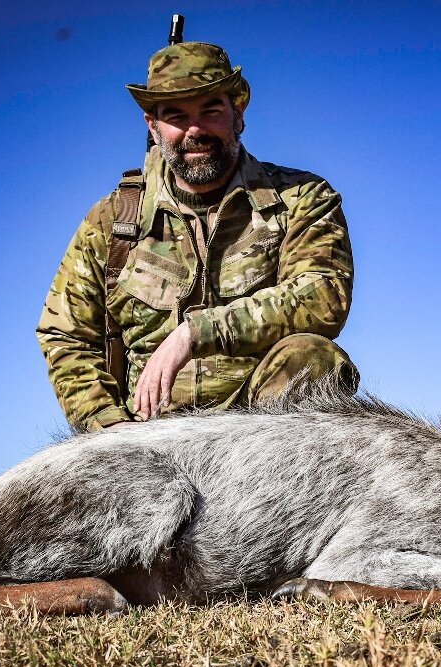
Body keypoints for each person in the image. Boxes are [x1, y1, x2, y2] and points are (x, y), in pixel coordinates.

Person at [36, 39, 357, 431]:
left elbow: (322, 295)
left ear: (238, 113)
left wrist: (196, 333)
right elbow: (66, 335)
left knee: (313, 357)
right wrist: (109, 429)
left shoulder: (301, 198)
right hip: (148, 431)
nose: (194, 130)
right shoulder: (112, 220)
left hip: (263, 426)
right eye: (175, 115)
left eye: (211, 110)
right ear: (152, 126)